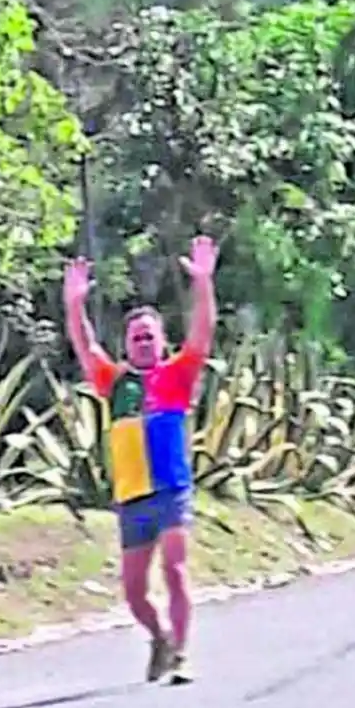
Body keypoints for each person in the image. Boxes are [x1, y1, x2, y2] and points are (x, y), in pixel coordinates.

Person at [63, 236, 218, 684]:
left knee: (174, 567)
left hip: (171, 490)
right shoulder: (116, 383)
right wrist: (75, 304)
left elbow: (203, 330)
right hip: (132, 498)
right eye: (137, 337)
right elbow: (84, 346)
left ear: (162, 340)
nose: (144, 342)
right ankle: (159, 637)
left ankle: (182, 655)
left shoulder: (178, 374)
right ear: (127, 345)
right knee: (133, 594)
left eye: (151, 335)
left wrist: (203, 282)